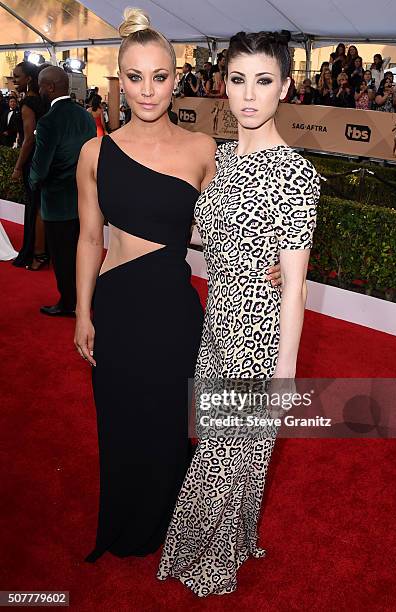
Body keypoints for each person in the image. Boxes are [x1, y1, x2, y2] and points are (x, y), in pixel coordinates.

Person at [75, 8, 283, 564]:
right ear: (121, 79)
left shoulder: (202, 150)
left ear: (176, 78)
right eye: (136, 77)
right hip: (117, 307)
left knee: (170, 421)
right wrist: (82, 312)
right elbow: (88, 238)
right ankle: (125, 524)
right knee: (119, 421)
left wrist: (272, 261)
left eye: (160, 76)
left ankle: (172, 522)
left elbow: (224, 227)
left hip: (174, 310)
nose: (148, 90)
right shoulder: (95, 153)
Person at [158, 29, 319, 597]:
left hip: (259, 333)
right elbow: (209, 236)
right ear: (223, 84)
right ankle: (235, 537)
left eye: (264, 81)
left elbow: (295, 286)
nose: (249, 95)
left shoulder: (295, 173)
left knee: (227, 458)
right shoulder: (220, 159)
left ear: (285, 88)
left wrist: (287, 369)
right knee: (226, 451)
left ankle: (210, 558)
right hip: (217, 323)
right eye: (238, 79)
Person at [29, 66, 96, 316]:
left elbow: (40, 167)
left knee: (62, 255)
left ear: (49, 87)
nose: (38, 89)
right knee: (85, 252)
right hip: (85, 198)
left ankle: (69, 303)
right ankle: (88, 298)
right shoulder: (85, 116)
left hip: (58, 200)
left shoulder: (48, 121)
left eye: (39, 84)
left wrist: (33, 182)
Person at [11, 61, 47, 269]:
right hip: (44, 158)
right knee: (41, 205)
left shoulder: (27, 105)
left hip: (31, 161)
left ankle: (35, 253)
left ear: (29, 79)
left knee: (35, 206)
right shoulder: (44, 101)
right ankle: (42, 252)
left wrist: (17, 167)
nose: (14, 80)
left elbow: (28, 139)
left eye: (17, 76)